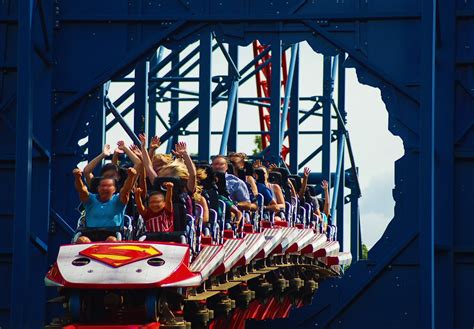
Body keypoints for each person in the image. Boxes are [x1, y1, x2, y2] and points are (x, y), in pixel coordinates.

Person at [72, 167, 137, 243]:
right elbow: (81, 189)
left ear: (114, 189)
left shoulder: (118, 200)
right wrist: (78, 177)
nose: (105, 188)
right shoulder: (90, 200)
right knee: (82, 240)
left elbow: (126, 190)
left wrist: (131, 177)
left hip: (113, 235)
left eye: (109, 186)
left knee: (111, 240)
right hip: (90, 235)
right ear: (98, 188)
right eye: (102, 186)